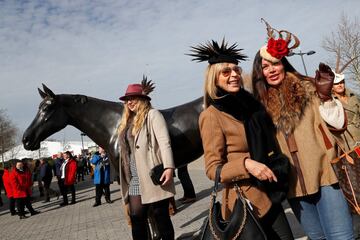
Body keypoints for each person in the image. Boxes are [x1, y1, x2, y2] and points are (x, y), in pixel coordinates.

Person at [251, 20, 353, 239]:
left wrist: (326, 97)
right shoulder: (260, 106)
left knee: (341, 236)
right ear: (260, 73)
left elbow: (337, 123)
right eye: (265, 67)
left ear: (283, 64)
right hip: (293, 185)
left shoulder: (308, 88)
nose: (271, 70)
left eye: (275, 64)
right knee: (317, 238)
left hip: (326, 175)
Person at [190, 39, 294, 239]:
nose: (234, 75)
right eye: (226, 72)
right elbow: (213, 169)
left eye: (236, 70)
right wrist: (246, 164)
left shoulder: (251, 106)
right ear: (214, 78)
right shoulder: (212, 115)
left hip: (270, 191)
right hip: (246, 199)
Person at [118, 77, 176, 240]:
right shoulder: (127, 122)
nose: (130, 102)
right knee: (136, 217)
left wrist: (169, 167)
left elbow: (165, 142)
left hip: (152, 173)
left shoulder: (152, 115)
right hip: (135, 177)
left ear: (143, 99)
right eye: (127, 99)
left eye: (133, 98)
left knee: (160, 216)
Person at [331, 71, 360, 239]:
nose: (340, 85)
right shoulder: (331, 103)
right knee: (355, 188)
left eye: (342, 82)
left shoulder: (354, 96)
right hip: (348, 148)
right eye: (336, 83)